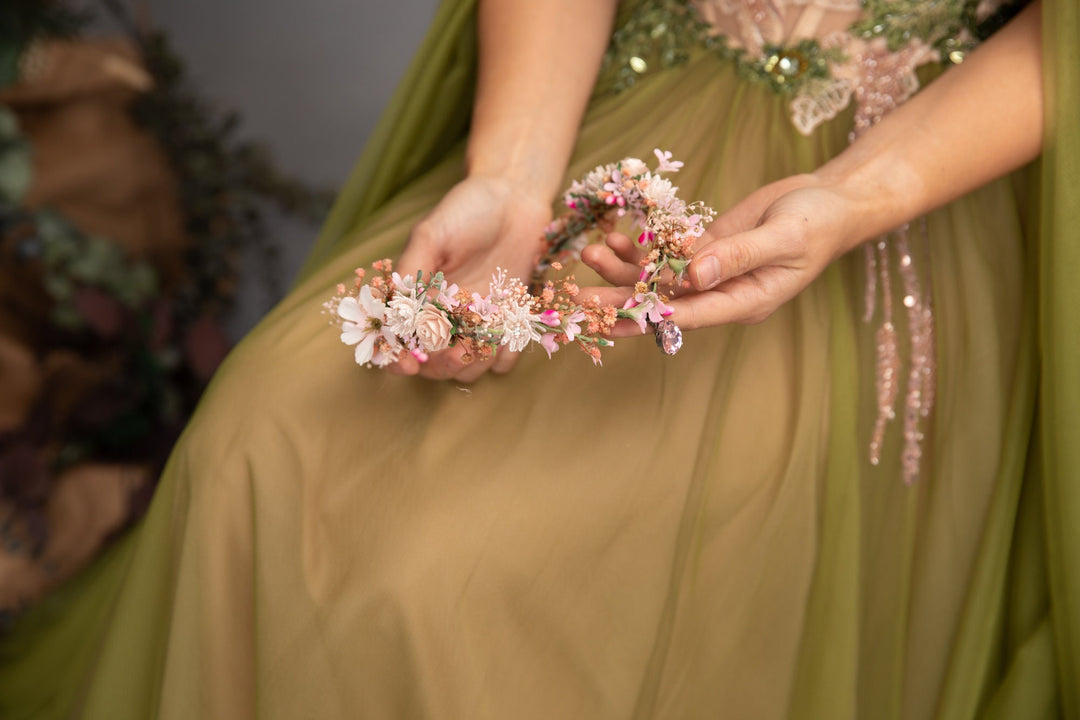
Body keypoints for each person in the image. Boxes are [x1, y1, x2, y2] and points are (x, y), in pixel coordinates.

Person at [2, 0, 1077, 717]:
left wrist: (856, 198)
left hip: (898, 185)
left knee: (473, 590)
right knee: (264, 437)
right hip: (615, 134)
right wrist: (516, 181)